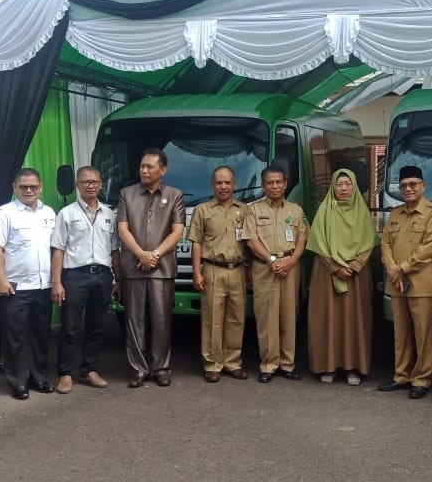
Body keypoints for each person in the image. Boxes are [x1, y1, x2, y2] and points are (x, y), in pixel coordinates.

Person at [116, 148, 186, 388]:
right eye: (141, 166)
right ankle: (138, 368)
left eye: (149, 167)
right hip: (133, 266)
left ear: (162, 170)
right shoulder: (127, 194)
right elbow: (123, 229)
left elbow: (177, 232)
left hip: (162, 267)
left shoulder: (175, 195)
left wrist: (154, 255)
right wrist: (140, 254)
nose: (144, 170)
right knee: (134, 320)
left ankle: (161, 367)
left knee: (161, 319)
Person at [0, 168, 56, 400]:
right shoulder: (5, 213)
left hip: (43, 285)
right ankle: (18, 382)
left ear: (41, 187)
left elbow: (55, 249)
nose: (29, 190)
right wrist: (0, 279)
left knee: (40, 334)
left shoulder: (49, 213)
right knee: (15, 337)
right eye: (24, 186)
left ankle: (39, 378)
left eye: (33, 187)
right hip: (15, 286)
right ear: (15, 188)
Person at [50, 166, 119, 394]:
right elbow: (58, 250)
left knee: (96, 326)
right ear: (78, 185)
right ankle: (66, 373)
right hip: (74, 276)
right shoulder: (66, 214)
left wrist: (117, 279)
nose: (91, 185)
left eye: (95, 182)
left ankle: (90, 369)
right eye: (85, 182)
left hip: (102, 275)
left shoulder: (110, 214)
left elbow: (115, 250)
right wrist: (57, 282)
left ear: (101, 185)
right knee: (70, 327)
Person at [378, 165, 432, 399]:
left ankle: (422, 379)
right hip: (396, 283)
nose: (408, 189)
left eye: (413, 184)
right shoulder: (395, 214)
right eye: (404, 185)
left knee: (422, 334)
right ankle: (401, 375)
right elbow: (384, 242)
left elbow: (430, 248)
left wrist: (401, 268)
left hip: (421, 284)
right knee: (400, 332)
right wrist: (392, 267)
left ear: (423, 186)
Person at [306, 169, 378, 386]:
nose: (344, 188)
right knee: (326, 319)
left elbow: (369, 243)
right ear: (332, 187)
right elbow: (317, 243)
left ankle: (352, 367)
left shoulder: (362, 212)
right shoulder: (324, 211)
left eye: (348, 184)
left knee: (354, 320)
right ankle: (327, 365)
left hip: (356, 277)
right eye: (340, 184)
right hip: (326, 275)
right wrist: (335, 267)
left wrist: (354, 266)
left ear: (354, 186)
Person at [243, 165, 308, 383]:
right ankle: (269, 364)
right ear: (263, 185)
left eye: (278, 181)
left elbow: (302, 240)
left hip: (290, 267)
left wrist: (290, 262)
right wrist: (272, 260)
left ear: (285, 184)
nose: (275, 186)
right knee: (267, 318)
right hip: (265, 268)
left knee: (289, 316)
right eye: (270, 182)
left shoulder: (296, 210)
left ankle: (287, 364)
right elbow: (251, 240)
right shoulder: (253, 210)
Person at [188, 166, 250, 383]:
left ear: (234, 185)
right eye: (219, 183)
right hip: (213, 269)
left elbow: (249, 243)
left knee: (236, 319)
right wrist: (197, 272)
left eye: (228, 183)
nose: (224, 186)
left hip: (238, 270)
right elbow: (197, 243)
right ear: (213, 185)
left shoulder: (244, 210)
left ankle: (233, 362)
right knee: (212, 319)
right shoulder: (202, 210)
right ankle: (213, 364)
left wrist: (249, 271)